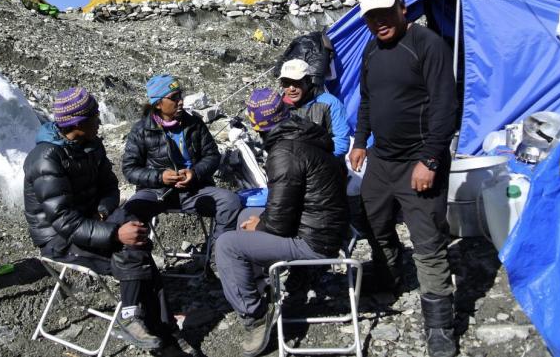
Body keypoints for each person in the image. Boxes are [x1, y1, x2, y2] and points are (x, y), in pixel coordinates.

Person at [23, 87, 189, 355]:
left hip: (91, 222)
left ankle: (154, 326)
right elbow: (63, 221)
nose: (99, 121)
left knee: (135, 237)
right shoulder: (46, 160)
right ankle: (150, 325)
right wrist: (114, 234)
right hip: (58, 239)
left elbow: (110, 187)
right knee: (133, 251)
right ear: (77, 123)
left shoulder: (91, 144)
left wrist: (102, 213)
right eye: (94, 116)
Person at [348, 0, 458, 357]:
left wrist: (430, 160)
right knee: (372, 221)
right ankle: (389, 275)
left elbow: (446, 107)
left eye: (384, 13)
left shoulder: (428, 45)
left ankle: (440, 325)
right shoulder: (371, 49)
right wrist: (360, 141)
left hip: (419, 159)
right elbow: (367, 100)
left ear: (402, 8)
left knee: (427, 243)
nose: (379, 22)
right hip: (382, 159)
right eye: (371, 17)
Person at [215, 88, 348, 357]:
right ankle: (259, 285)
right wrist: (260, 221)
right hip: (326, 226)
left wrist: (261, 224)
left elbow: (279, 222)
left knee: (227, 245)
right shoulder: (302, 133)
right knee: (245, 217)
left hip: (314, 241)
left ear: (256, 125)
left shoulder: (284, 152)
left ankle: (255, 317)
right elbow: (286, 203)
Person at [122, 74, 241, 243]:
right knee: (129, 213)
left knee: (230, 202)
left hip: (195, 190)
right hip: (156, 192)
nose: (180, 102)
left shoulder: (194, 124)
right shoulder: (141, 130)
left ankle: (218, 252)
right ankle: (140, 258)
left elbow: (212, 155)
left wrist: (195, 173)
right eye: (174, 98)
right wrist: (160, 177)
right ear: (158, 103)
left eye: (180, 96)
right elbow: (129, 169)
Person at [278, 58, 350, 158]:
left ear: (308, 81)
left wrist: (310, 161)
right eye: (286, 83)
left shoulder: (329, 103)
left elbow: (341, 143)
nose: (291, 88)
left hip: (324, 163)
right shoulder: (279, 106)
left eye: (297, 82)